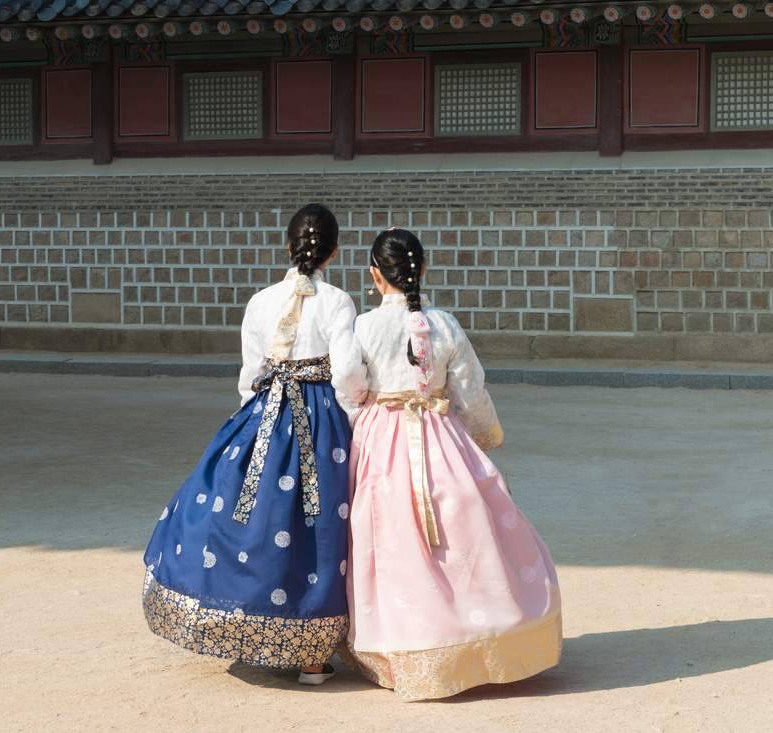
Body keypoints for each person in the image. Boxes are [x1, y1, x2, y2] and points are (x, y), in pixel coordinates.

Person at [142, 203, 368, 685]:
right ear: (332, 253)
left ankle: (250, 624)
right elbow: (348, 371)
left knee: (257, 517)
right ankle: (312, 653)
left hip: (266, 414)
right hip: (319, 419)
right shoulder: (338, 301)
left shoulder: (260, 301)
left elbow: (250, 375)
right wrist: (353, 416)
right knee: (320, 524)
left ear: (289, 246)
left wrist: (254, 418)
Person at [338, 228, 561, 701]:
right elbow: (470, 390)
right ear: (423, 269)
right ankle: (484, 634)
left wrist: (359, 418)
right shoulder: (444, 324)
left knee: (390, 534)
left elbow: (349, 386)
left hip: (383, 438)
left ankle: (402, 647)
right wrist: (486, 435)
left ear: (375, 275)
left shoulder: (363, 326)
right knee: (464, 525)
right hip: (440, 435)